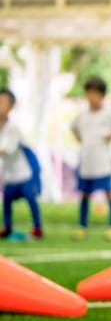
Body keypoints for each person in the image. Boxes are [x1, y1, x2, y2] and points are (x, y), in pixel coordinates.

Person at [70, 77, 111, 241]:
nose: (91, 97)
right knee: (84, 194)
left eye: (94, 94)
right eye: (88, 93)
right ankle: (82, 226)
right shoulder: (83, 115)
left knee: (109, 192)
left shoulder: (109, 113)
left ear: (102, 95)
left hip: (102, 161)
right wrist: (79, 139)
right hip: (86, 161)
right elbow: (73, 128)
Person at [0, 88, 43, 239]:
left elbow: (5, 149)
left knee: (31, 198)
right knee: (6, 201)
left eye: (3, 102)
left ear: (11, 106)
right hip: (10, 174)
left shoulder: (12, 129)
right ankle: (7, 227)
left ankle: (38, 228)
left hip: (25, 171)